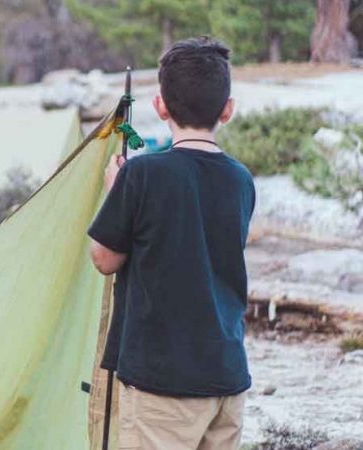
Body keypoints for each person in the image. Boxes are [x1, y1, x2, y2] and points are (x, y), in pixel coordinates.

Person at [87, 37, 255, 450]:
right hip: (227, 378)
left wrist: (115, 190)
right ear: (227, 110)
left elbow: (105, 259)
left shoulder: (142, 176)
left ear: (160, 107)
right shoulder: (241, 179)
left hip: (162, 383)